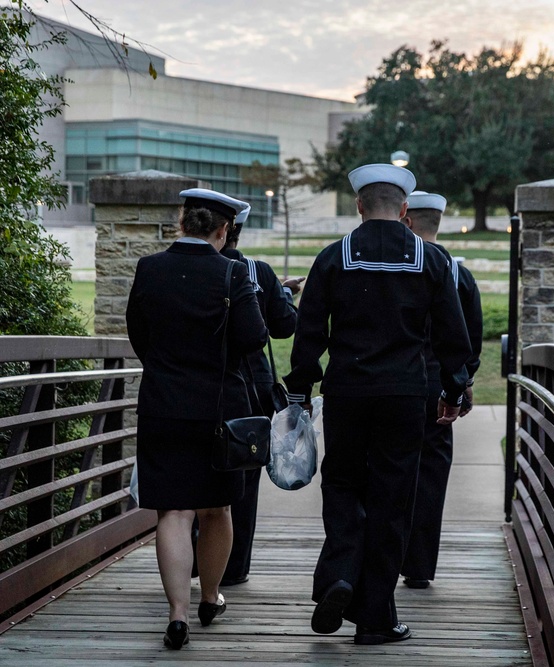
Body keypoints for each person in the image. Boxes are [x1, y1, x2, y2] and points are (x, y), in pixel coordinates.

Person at [284, 164, 472, 645]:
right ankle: (375, 618)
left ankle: (340, 573)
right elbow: (453, 334)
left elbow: (309, 333)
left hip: (347, 392)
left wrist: (300, 390)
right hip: (406, 395)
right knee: (393, 500)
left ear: (360, 207)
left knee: (343, 484)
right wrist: (454, 390)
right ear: (405, 210)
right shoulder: (430, 261)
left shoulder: (332, 258)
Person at [126, 188, 268, 650]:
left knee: (174, 509)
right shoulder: (233, 273)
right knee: (217, 508)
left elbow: (137, 333)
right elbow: (252, 338)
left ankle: (177, 615)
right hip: (219, 411)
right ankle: (210, 597)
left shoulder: (149, 268)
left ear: (182, 222)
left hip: (163, 405)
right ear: (224, 231)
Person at [399, 191, 483, 589]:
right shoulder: (457, 273)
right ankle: (419, 567)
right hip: (437, 386)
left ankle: (385, 557)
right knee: (431, 476)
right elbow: (472, 336)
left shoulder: (393, 267)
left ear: (406, 221)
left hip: (396, 382)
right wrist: (462, 383)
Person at [217, 204, 304, 587]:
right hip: (250, 390)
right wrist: (282, 294)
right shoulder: (257, 272)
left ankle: (192, 558)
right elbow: (284, 327)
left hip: (198, 388)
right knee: (243, 480)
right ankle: (233, 568)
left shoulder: (187, 268)